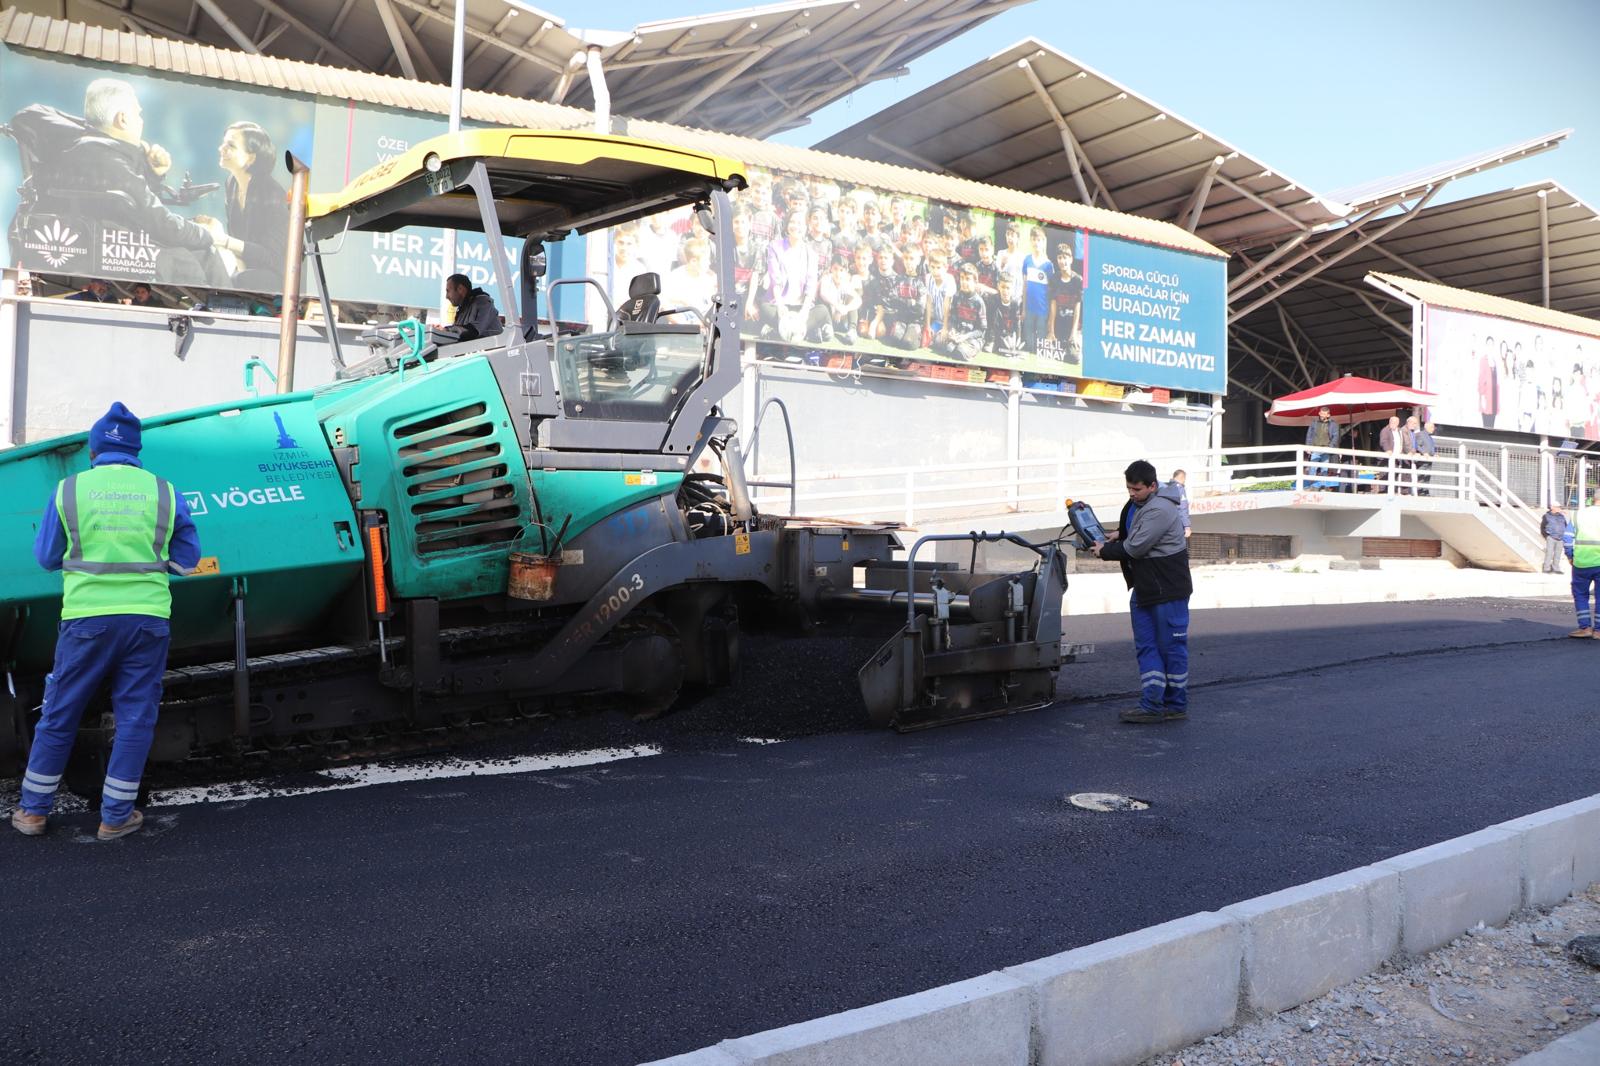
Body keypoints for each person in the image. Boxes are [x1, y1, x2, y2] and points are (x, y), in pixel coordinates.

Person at [11, 403, 201, 840]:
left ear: (94, 451)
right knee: (135, 716)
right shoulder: (165, 492)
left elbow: (45, 559)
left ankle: (34, 813)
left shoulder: (69, 490)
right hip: (147, 621)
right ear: (136, 450)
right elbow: (187, 560)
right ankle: (116, 817)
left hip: (86, 621)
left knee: (60, 711)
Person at [54, 79, 222, 284]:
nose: (141, 120)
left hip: (104, 244)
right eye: (138, 113)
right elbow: (161, 223)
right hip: (117, 251)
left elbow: (132, 206)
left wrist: (154, 174)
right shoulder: (110, 161)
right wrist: (208, 233)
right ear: (123, 118)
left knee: (204, 254)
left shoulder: (87, 151)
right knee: (193, 257)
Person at [1092, 460, 1193, 724]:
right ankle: (1151, 704)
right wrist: (1118, 533)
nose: (1132, 493)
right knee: (1147, 647)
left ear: (1152, 485)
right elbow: (1135, 530)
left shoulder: (1160, 508)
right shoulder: (1142, 503)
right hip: (1147, 588)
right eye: (1128, 489)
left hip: (1168, 590)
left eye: (1137, 489)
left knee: (1171, 648)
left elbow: (1136, 548)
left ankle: (1175, 704)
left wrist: (1104, 550)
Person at [193, 121, 289, 292]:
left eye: (230, 145)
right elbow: (239, 246)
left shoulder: (273, 195)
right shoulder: (231, 183)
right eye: (223, 143)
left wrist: (223, 240)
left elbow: (272, 257)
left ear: (251, 158)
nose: (221, 148)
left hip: (279, 278)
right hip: (247, 273)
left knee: (235, 279)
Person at [1566, 504, 1600, 638]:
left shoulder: (1577, 515)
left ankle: (1585, 628)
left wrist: (1570, 556)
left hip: (1581, 563)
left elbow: (1567, 538)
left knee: (1580, 595)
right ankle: (1598, 631)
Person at [444, 273, 502, 341]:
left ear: (460, 289)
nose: (446, 296)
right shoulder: (462, 310)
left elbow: (474, 331)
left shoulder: (483, 302)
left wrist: (446, 330)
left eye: (448, 291)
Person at [1304, 406, 1340, 489]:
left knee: (1324, 468)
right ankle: (1311, 485)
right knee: (1313, 468)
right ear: (1319, 413)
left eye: (1324, 414)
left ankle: (1323, 486)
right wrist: (1308, 446)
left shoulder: (1333, 424)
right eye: (1321, 414)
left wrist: (1330, 447)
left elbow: (1335, 437)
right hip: (1315, 448)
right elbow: (1309, 435)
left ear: (1328, 415)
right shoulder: (1314, 422)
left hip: (1326, 449)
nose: (1322, 416)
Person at [1542, 503, 1569, 575]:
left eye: (1559, 507)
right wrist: (1546, 536)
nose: (1559, 508)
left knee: (1558, 554)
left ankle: (1556, 568)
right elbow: (1542, 527)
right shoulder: (1546, 516)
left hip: (1560, 538)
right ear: (1552, 507)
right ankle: (1546, 568)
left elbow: (1566, 525)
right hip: (1551, 537)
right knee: (1549, 553)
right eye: (1557, 507)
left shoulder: (1562, 516)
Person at [1413, 419, 1438, 496]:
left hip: (1429, 460)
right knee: (1421, 476)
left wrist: (1434, 454)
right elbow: (1417, 446)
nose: (1433, 429)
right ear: (1426, 427)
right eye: (1432, 427)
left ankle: (1425, 492)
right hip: (1422, 461)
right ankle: (1419, 492)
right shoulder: (1420, 434)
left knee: (1427, 476)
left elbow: (1431, 448)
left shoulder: (1430, 437)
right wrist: (1424, 453)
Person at [1166, 468, 1191, 539]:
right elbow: (1182, 508)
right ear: (1182, 477)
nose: (1184, 481)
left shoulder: (1167, 487)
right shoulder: (1179, 488)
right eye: (1184, 479)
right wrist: (1187, 527)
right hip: (1177, 525)